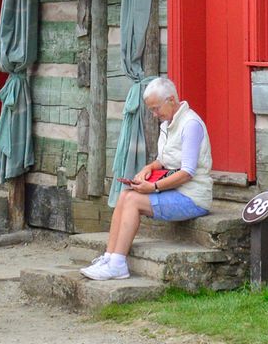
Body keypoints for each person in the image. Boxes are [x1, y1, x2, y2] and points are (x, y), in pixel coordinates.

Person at [83, 75, 215, 282]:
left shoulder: (190, 125)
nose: (154, 114)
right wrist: (148, 168)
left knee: (134, 201)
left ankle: (118, 264)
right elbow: (164, 160)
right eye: (151, 109)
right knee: (126, 194)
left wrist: (153, 187)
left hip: (193, 197)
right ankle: (109, 257)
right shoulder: (168, 123)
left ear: (171, 99)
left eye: (156, 108)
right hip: (174, 192)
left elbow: (187, 172)